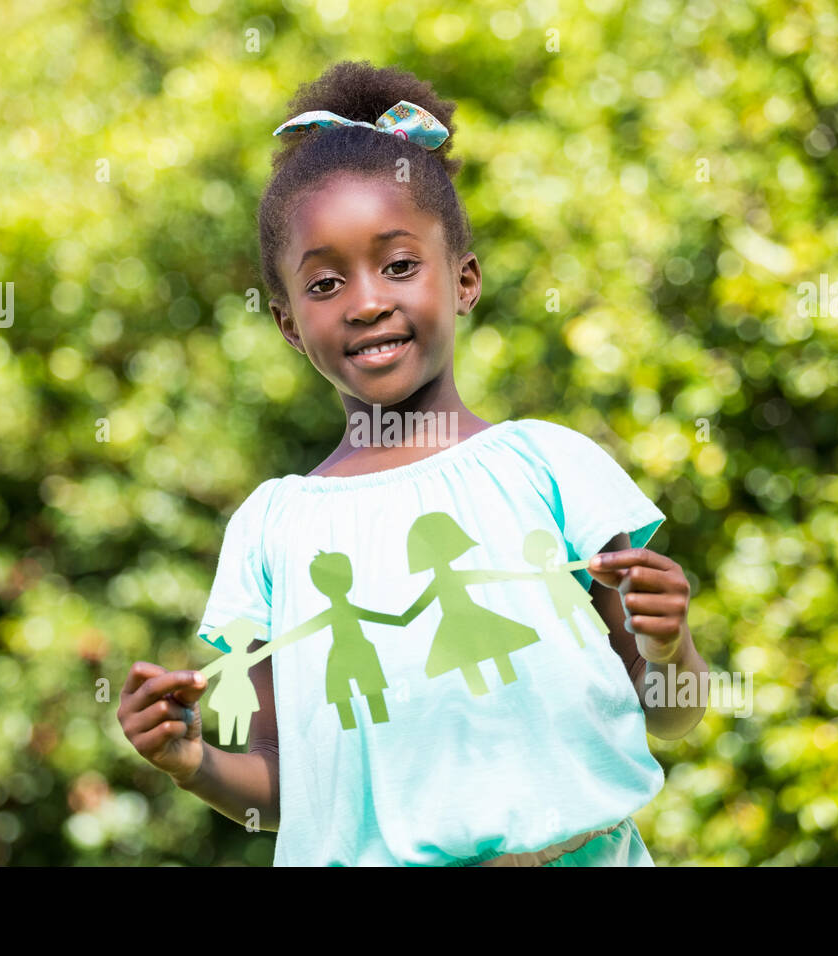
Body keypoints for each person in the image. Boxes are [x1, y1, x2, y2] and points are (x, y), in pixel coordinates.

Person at [118, 60, 708, 866]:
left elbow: (670, 715)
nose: (366, 301)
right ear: (289, 324)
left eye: (399, 265)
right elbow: (292, 787)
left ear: (463, 280)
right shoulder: (273, 528)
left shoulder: (551, 468)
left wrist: (671, 646)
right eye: (325, 283)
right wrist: (192, 762)